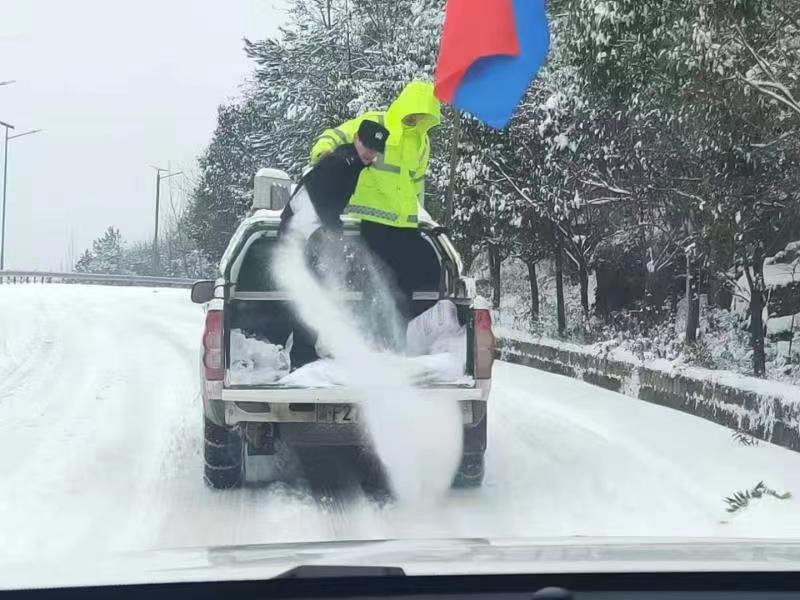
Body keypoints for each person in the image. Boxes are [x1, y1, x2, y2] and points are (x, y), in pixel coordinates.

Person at [309, 81, 442, 308]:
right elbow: (334, 135)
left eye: (423, 115)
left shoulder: (422, 142)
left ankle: (402, 332)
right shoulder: (374, 123)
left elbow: (417, 183)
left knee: (418, 278)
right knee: (377, 282)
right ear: (405, 105)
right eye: (414, 112)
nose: (417, 119)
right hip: (373, 220)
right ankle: (377, 332)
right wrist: (323, 154)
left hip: (405, 223)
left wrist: (421, 217)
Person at [280, 119, 390, 239]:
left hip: (309, 229)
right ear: (356, 138)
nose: (369, 152)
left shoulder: (354, 165)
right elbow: (313, 203)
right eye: (367, 145)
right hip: (299, 231)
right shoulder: (339, 163)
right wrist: (333, 231)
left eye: (375, 149)